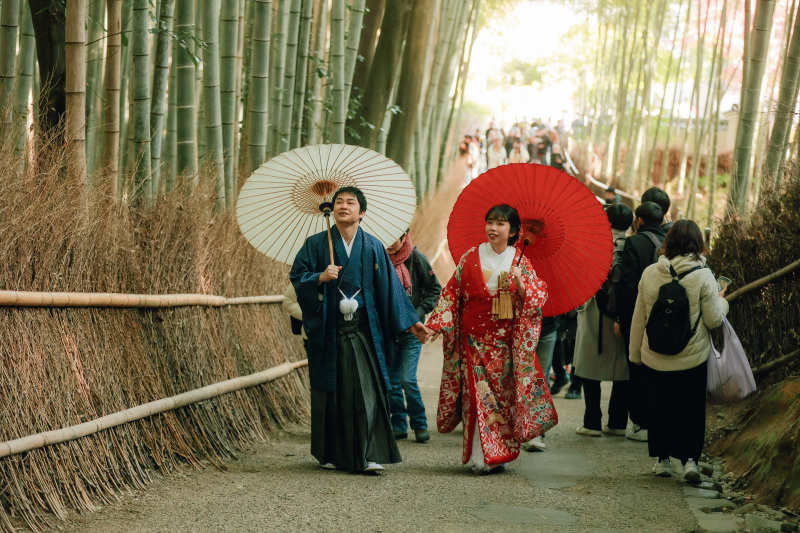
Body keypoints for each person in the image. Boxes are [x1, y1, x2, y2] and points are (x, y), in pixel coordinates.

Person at [290, 186, 431, 475]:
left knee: (367, 391)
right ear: (331, 209)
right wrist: (319, 277)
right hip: (331, 331)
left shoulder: (373, 246)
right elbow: (297, 276)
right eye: (338, 202)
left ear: (361, 212)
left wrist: (412, 322)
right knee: (333, 392)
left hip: (364, 330)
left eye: (350, 202)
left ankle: (367, 453)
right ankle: (332, 452)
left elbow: (391, 290)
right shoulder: (317, 244)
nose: (343, 206)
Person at [425, 205, 558, 474]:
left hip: (505, 345)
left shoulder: (521, 261)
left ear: (514, 232)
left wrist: (521, 285)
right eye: (490, 222)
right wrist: (436, 325)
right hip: (473, 340)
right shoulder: (470, 257)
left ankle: (501, 453)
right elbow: (451, 294)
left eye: (500, 224)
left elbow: (538, 299)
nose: (493, 228)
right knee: (477, 398)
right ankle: (481, 456)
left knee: (503, 400)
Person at [629, 219, 729, 481]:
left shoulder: (651, 273)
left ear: (668, 241)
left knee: (658, 407)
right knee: (690, 409)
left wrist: (634, 354)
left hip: (654, 356)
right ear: (698, 244)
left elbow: (639, 317)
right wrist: (722, 301)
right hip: (692, 359)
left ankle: (662, 461)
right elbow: (713, 320)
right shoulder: (703, 276)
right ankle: (690, 462)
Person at [574, 204, 634, 437]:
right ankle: (618, 422)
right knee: (622, 366)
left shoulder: (593, 245)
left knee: (591, 365)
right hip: (623, 314)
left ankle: (592, 422)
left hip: (594, 312)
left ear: (606, 223)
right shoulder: (632, 245)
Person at [614, 201, 666, 443]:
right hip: (664, 316)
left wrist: (621, 319)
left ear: (640, 221)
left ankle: (639, 424)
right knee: (658, 369)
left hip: (639, 314)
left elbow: (627, 285)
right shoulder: (671, 241)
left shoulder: (634, 242)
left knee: (636, 366)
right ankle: (658, 421)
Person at [386, 230, 442, 443]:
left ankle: (419, 423)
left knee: (407, 379)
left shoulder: (417, 258)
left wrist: (417, 315)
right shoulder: (379, 260)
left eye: (394, 240)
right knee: (391, 382)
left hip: (413, 331)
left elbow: (435, 289)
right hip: (389, 332)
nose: (390, 245)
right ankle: (398, 424)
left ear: (404, 236)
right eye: (386, 240)